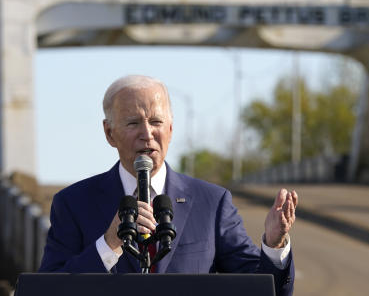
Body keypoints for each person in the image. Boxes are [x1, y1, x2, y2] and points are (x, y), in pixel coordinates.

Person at [39, 75, 298, 296]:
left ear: (171, 129)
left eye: (156, 122)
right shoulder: (73, 203)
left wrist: (274, 245)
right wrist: (108, 244)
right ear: (109, 133)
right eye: (133, 123)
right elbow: (48, 289)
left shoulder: (212, 202)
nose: (147, 133)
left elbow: (263, 288)